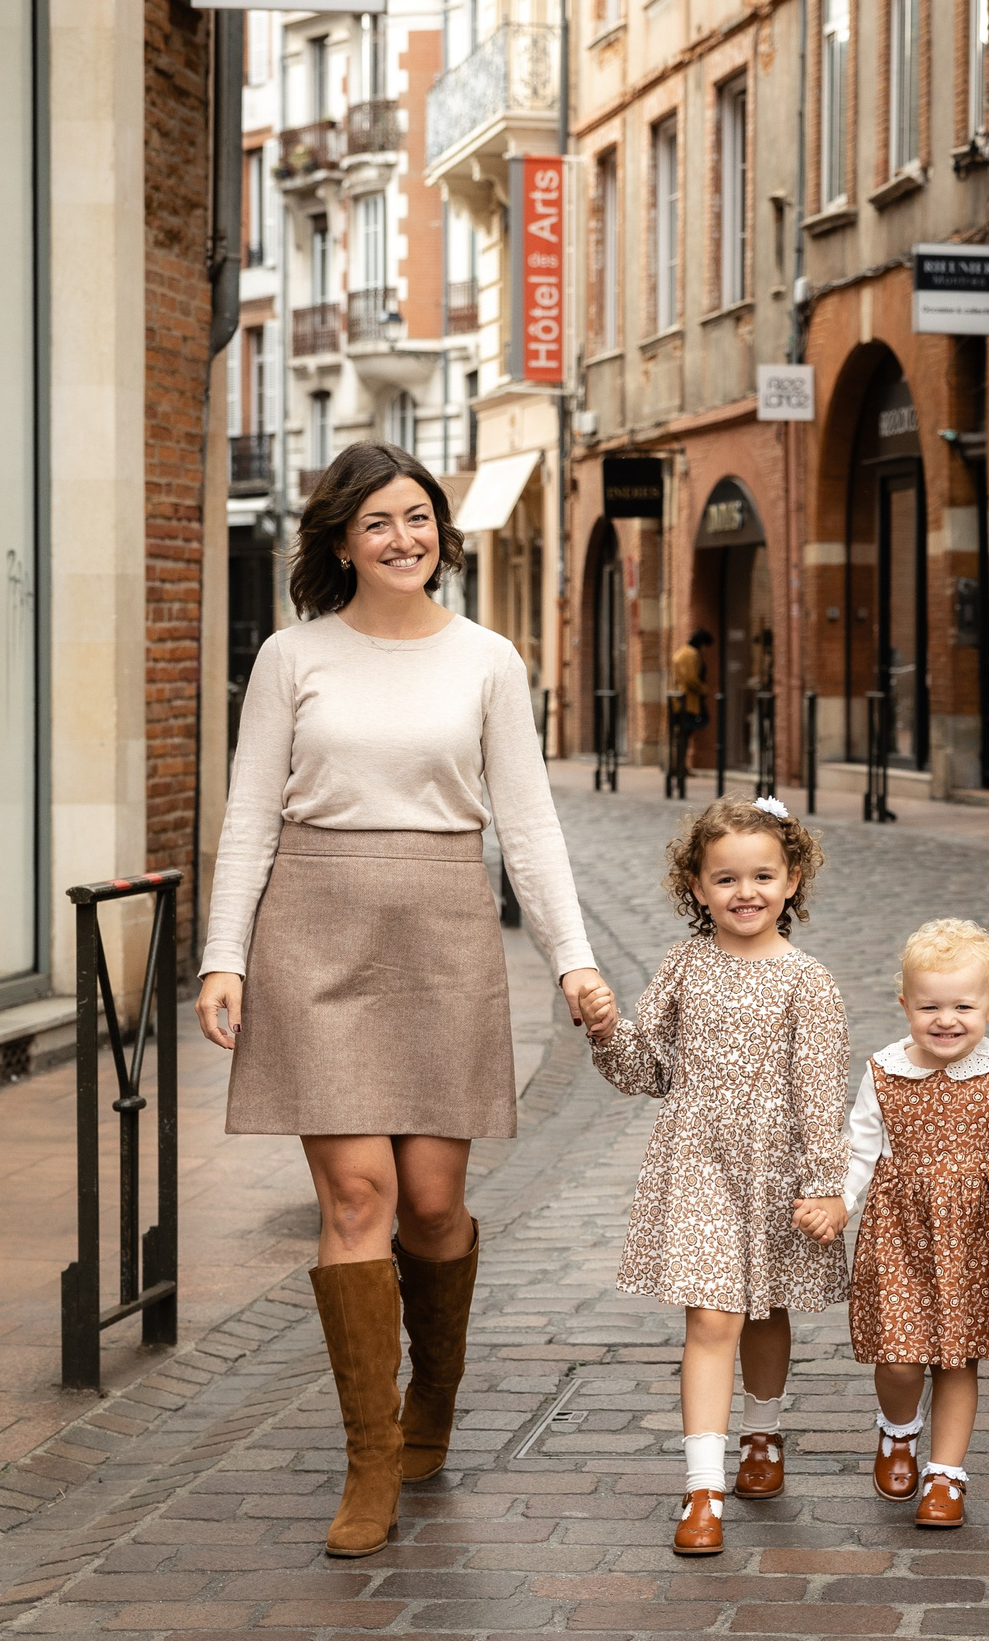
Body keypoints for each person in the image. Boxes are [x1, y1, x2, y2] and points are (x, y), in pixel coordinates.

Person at [194, 441, 611, 1560]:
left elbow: (525, 822)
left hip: (441, 927)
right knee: (357, 1197)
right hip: (313, 925)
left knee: (431, 1204)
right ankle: (369, 1454)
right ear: (340, 539)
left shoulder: (488, 660)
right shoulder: (291, 657)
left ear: (441, 533)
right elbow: (246, 816)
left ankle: (434, 1396)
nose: (401, 537)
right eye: (377, 520)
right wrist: (223, 952)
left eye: (417, 517)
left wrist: (573, 958)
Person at [578, 796, 851, 1556]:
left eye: (763, 874)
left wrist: (827, 1183)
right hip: (697, 1158)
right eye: (725, 876)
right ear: (696, 886)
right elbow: (649, 1069)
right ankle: (703, 1489)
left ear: (792, 879)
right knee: (712, 1318)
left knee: (764, 1309)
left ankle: (763, 1435)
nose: (745, 891)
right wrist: (607, 1031)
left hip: (778, 1166)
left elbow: (823, 1092)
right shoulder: (683, 964)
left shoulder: (809, 982)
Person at [813, 918, 989, 1529]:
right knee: (897, 1355)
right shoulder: (884, 1069)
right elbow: (860, 1148)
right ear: (905, 1004)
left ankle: (946, 1475)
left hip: (974, 1232)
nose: (946, 1020)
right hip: (899, 1228)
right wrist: (839, 1200)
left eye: (964, 1006)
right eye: (930, 1006)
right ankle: (898, 1430)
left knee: (956, 1357)